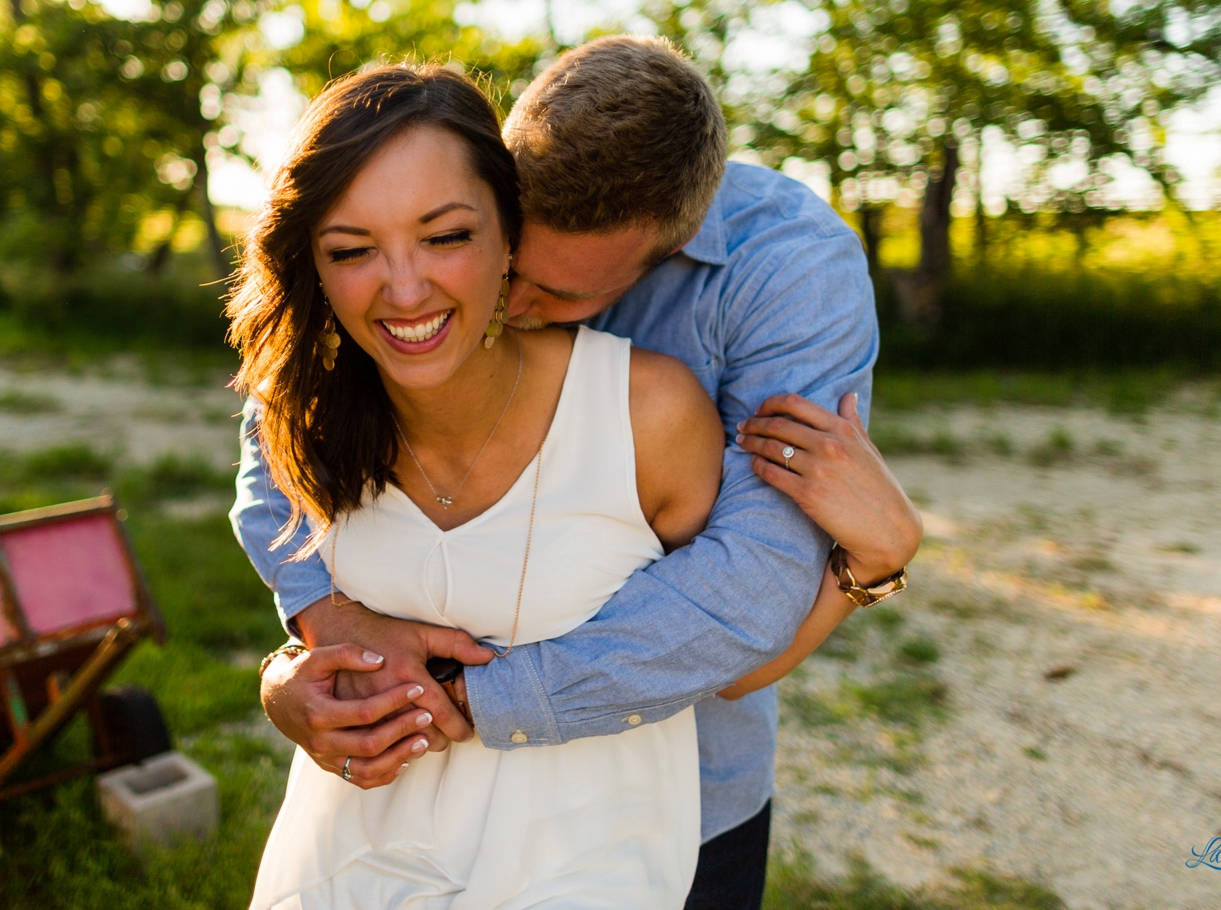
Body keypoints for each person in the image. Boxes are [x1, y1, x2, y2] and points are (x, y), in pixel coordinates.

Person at [234, 37, 922, 910]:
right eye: (505, 257)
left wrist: (465, 699)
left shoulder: (781, 274)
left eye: (555, 298)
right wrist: (323, 627)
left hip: (671, 797)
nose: (508, 305)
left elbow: (751, 586)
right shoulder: (448, 211)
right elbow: (285, 429)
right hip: (388, 818)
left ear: (657, 261)